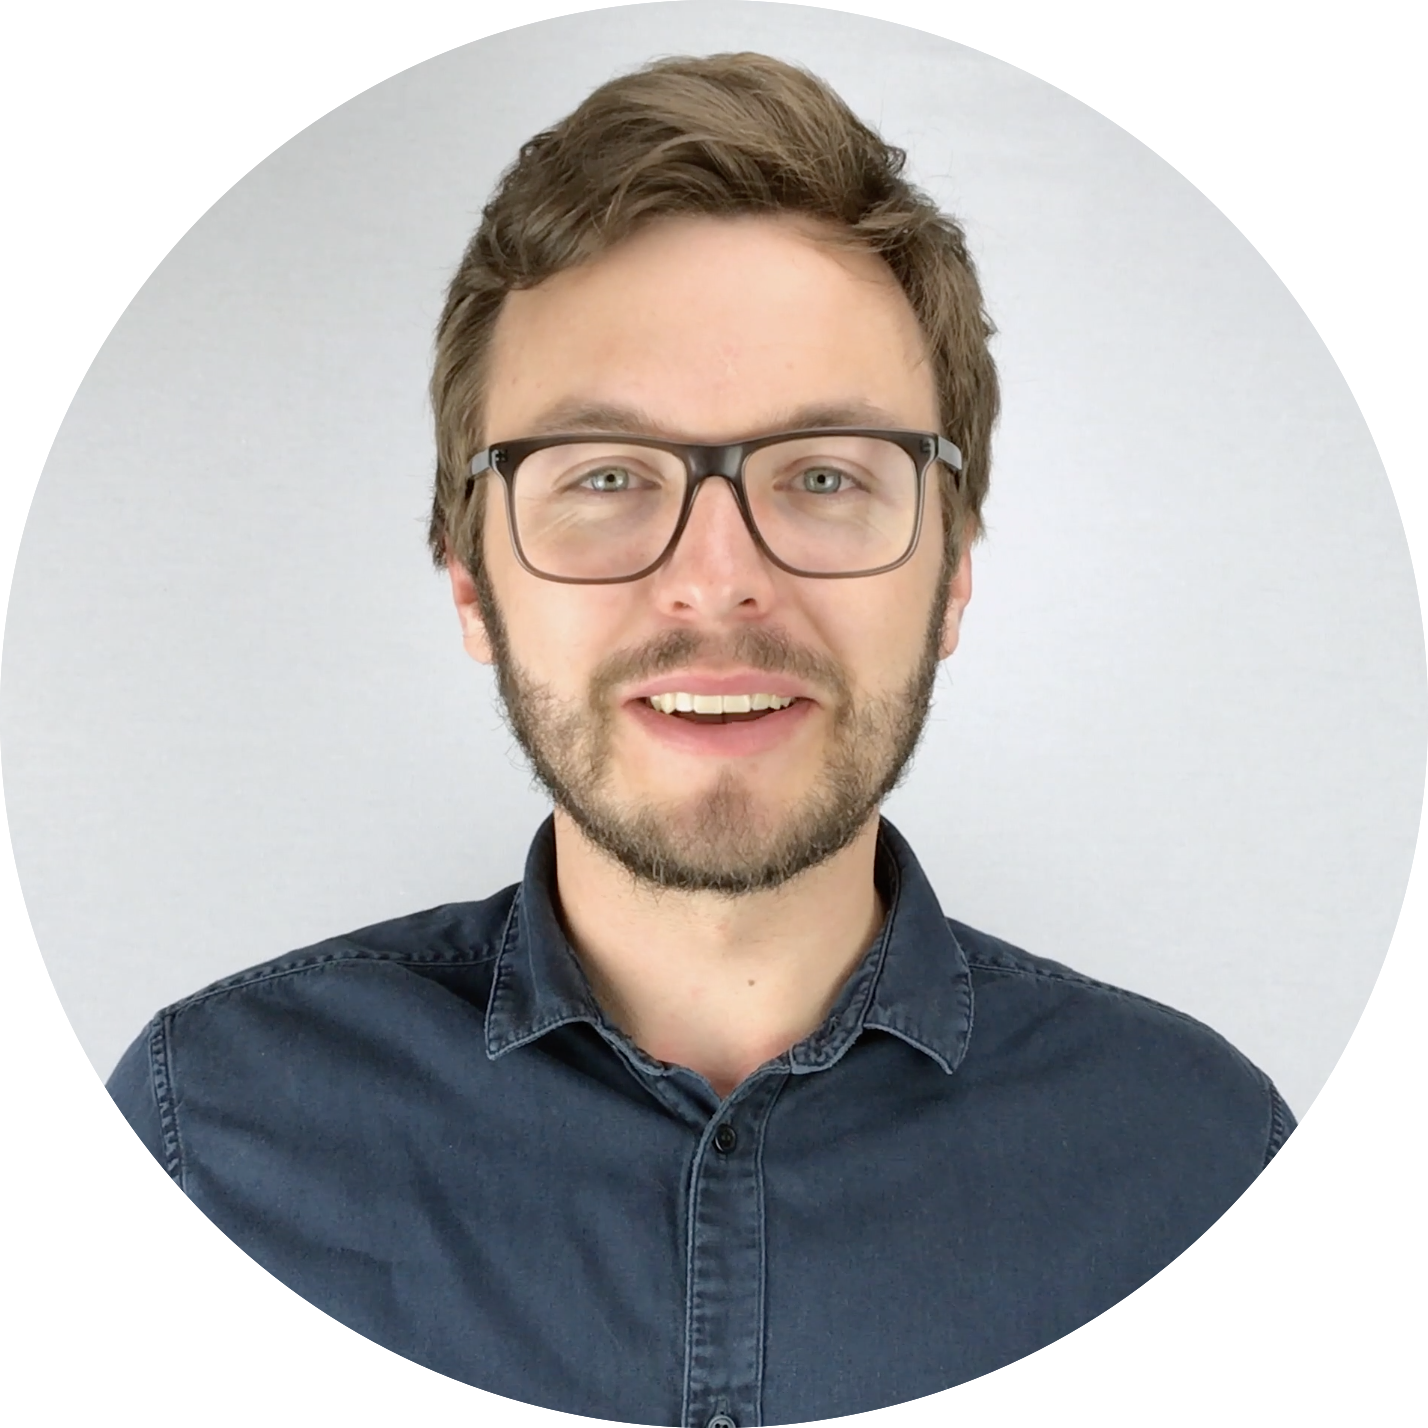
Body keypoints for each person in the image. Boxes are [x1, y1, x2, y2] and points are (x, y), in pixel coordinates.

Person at [107, 51, 1295, 1421]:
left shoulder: (1202, 1162)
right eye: (607, 475)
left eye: (825, 475)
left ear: (954, 571)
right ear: (472, 583)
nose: (717, 581)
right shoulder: (206, 1140)